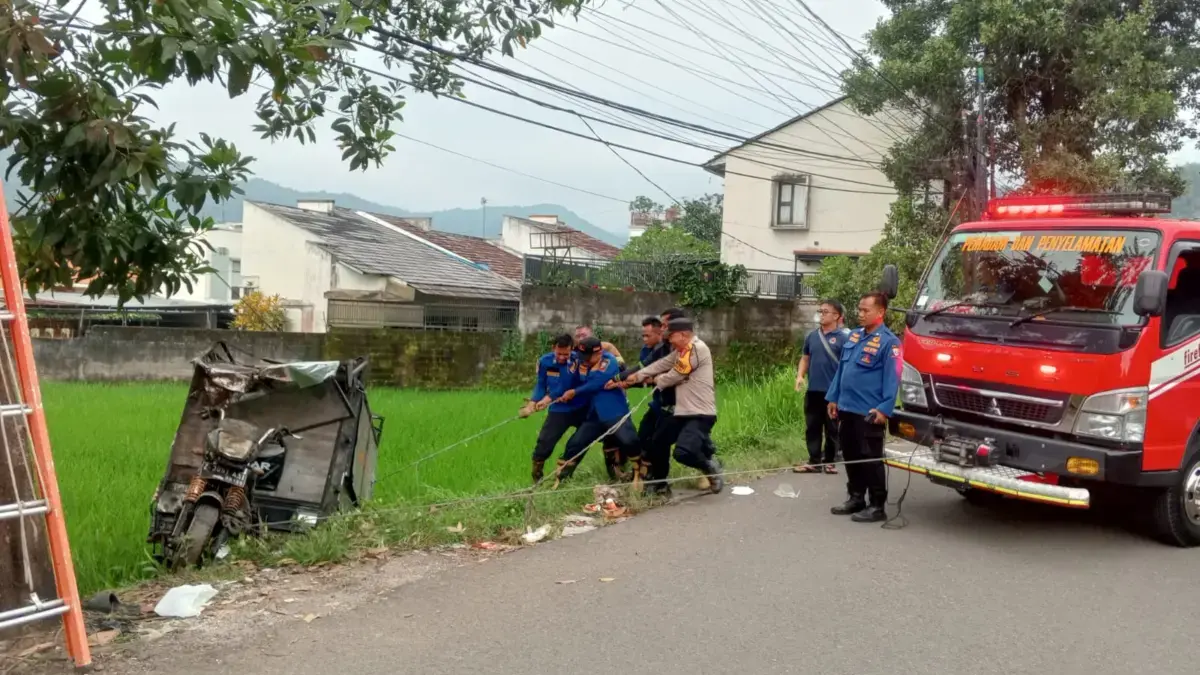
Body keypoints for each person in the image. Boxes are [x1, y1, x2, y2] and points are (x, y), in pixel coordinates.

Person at [825, 291, 902, 523]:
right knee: (850, 455)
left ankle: (877, 505)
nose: (860, 314)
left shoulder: (890, 343)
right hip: (846, 408)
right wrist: (833, 397)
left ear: (881, 312)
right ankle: (856, 497)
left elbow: (893, 378)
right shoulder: (854, 337)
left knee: (870, 458)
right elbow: (842, 371)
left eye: (865, 310)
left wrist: (884, 409)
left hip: (869, 412)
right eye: (859, 309)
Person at [624, 317, 723, 495]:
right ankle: (661, 485)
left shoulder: (696, 349)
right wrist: (636, 377)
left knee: (683, 453)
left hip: (700, 414)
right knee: (657, 443)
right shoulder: (681, 350)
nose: (669, 340)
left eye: (672, 336)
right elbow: (662, 364)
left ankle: (710, 468)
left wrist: (655, 379)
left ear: (683, 334)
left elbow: (674, 375)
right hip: (682, 412)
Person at [554, 337, 641, 486]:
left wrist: (575, 391)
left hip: (614, 411)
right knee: (576, 443)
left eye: (587, 357)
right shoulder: (580, 361)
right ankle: (561, 480)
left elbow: (597, 382)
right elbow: (569, 375)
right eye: (583, 357)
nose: (584, 360)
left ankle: (640, 475)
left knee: (629, 441)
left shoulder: (609, 362)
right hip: (594, 414)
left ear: (599, 353)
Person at [610, 316, 673, 488]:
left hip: (676, 403)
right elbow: (642, 375)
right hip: (658, 402)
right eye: (643, 336)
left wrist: (625, 380)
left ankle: (708, 468)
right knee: (645, 435)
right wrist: (625, 382)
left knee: (678, 442)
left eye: (647, 335)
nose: (644, 340)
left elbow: (655, 376)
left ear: (660, 332)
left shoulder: (669, 351)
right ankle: (651, 476)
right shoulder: (647, 352)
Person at [521, 333, 586, 484]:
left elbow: (566, 383)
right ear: (553, 348)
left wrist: (547, 399)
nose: (563, 357)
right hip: (559, 409)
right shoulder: (544, 361)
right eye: (559, 353)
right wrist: (532, 403)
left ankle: (565, 474)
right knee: (544, 442)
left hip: (580, 406)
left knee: (586, 439)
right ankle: (537, 476)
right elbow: (541, 385)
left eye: (566, 353)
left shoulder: (577, 360)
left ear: (571, 350)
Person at [794, 299, 850, 475]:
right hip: (814, 391)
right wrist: (800, 376)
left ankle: (830, 461)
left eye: (826, 311)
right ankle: (814, 460)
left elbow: (848, 366)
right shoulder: (811, 336)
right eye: (821, 311)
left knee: (832, 428)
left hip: (832, 393)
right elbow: (805, 358)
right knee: (812, 426)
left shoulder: (844, 339)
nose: (821, 314)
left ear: (836, 316)